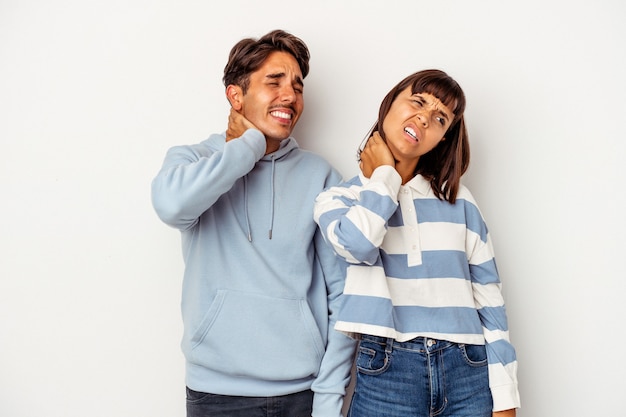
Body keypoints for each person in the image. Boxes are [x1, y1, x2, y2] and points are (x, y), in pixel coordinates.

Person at [151, 29, 355, 417]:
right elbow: (171, 206)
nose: (290, 96)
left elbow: (344, 296)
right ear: (236, 96)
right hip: (215, 394)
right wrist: (246, 148)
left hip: (303, 394)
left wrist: (329, 398)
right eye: (274, 82)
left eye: (297, 86)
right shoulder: (194, 161)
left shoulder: (321, 176)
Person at [314, 69, 520, 417]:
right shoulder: (339, 199)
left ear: (443, 138)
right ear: (390, 102)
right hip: (387, 373)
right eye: (418, 102)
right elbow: (361, 244)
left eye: (440, 118)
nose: (424, 118)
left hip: (467, 371)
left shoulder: (460, 202)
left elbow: (491, 303)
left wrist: (506, 396)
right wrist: (384, 176)